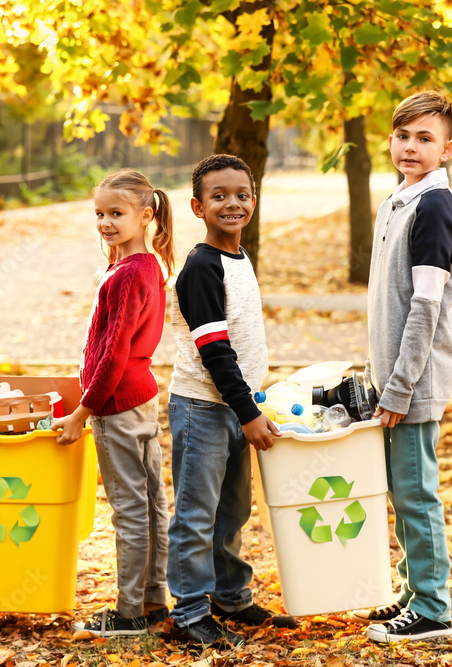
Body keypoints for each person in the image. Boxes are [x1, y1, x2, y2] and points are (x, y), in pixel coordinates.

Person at [349, 90, 452, 643]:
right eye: (403, 136)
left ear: (447, 148)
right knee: (400, 488)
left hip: (413, 381)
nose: (411, 146)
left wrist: (398, 388)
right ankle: (410, 591)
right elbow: (390, 300)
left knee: (416, 491)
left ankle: (433, 610)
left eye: (425, 138)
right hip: (392, 376)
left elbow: (424, 309)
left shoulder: (434, 207)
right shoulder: (398, 198)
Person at [165, 154, 298, 650]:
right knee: (197, 514)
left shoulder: (238, 258)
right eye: (219, 196)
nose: (232, 204)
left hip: (235, 407)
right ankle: (190, 613)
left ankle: (230, 596)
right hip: (205, 408)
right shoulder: (200, 267)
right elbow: (215, 352)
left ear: (254, 201)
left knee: (232, 510)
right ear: (198, 206)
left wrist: (251, 405)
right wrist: (250, 414)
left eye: (241, 195)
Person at [51, 169, 174, 637]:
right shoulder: (146, 266)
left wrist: (83, 412)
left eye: (116, 213)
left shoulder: (128, 274)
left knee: (130, 508)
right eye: (99, 213)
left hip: (118, 404)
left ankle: (128, 614)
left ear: (146, 216)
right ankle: (153, 600)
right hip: (140, 399)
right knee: (150, 503)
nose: (105, 221)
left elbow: (114, 351)